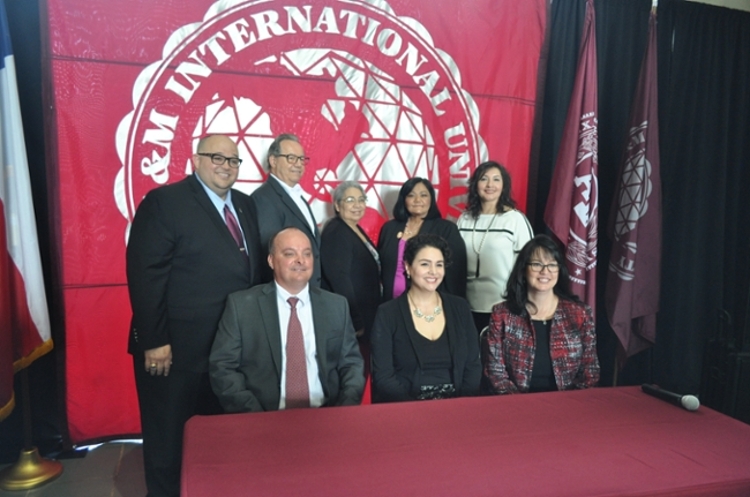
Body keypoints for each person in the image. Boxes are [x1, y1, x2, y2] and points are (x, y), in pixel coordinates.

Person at [126, 135, 262, 497]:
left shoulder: (246, 205)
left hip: (228, 352)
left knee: (219, 441)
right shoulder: (164, 202)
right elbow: (145, 276)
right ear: (195, 159)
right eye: (217, 157)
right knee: (168, 443)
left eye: (234, 160)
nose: (226, 166)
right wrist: (154, 340)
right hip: (175, 354)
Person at [209, 227, 365, 412]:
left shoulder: (336, 305)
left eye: (307, 254)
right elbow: (223, 368)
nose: (301, 260)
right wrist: (254, 415)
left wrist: (342, 410)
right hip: (262, 417)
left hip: (326, 415)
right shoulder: (242, 306)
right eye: (290, 253)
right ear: (271, 260)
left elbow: (352, 364)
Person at [483, 235, 600, 394]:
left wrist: (570, 404)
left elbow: (590, 371)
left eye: (552, 265)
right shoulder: (502, 314)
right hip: (516, 407)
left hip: (569, 406)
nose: (545, 271)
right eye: (537, 264)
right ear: (524, 269)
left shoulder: (579, 314)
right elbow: (496, 373)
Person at [371, 234, 481, 402]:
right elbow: (384, 377)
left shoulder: (460, 307)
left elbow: (473, 365)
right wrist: (415, 411)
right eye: (425, 264)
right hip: (407, 409)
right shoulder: (387, 313)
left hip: (458, 406)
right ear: (408, 267)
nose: (433, 272)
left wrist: (462, 404)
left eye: (439, 265)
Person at [457, 161, 533, 334]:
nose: (490, 185)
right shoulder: (464, 219)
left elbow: (529, 264)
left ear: (504, 185)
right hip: (466, 304)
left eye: (496, 179)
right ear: (475, 185)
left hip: (503, 304)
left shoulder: (514, 219)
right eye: (484, 179)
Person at [249, 133, 321, 286]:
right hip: (287, 293)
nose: (298, 164)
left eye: (301, 159)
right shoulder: (264, 198)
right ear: (273, 160)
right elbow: (271, 253)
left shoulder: (298, 196)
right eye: (291, 158)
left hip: (308, 290)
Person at [378, 178, 466, 301]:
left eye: (423, 195)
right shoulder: (390, 228)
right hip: (392, 303)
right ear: (404, 199)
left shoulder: (446, 229)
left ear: (431, 199)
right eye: (411, 195)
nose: (417, 200)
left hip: (431, 304)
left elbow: (456, 274)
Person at [320, 181, 381, 340]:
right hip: (352, 318)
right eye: (350, 200)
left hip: (367, 310)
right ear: (338, 206)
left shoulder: (352, 227)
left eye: (361, 200)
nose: (357, 205)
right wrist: (355, 318)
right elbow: (340, 279)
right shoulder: (337, 232)